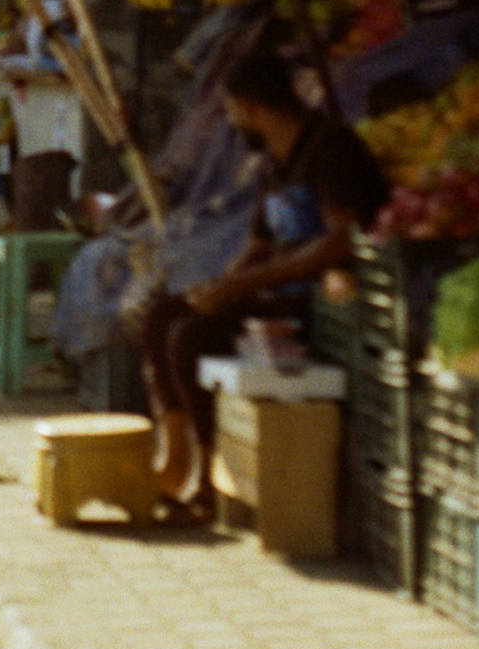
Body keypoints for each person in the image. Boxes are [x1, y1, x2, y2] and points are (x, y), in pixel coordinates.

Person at [140, 49, 388, 517]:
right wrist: (220, 287)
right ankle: (174, 462)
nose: (233, 123)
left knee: (188, 338)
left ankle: (212, 481)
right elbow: (257, 243)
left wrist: (244, 285)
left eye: (232, 111)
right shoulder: (275, 161)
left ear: (249, 107)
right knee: (163, 316)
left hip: (323, 308)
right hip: (274, 297)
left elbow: (341, 243)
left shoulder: (331, 148)